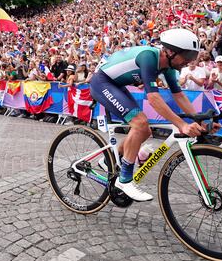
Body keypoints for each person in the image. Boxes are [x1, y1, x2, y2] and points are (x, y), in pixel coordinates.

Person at [89, 28, 210, 202]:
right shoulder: (149, 57)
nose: (189, 61)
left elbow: (179, 95)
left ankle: (107, 162)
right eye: (187, 56)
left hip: (116, 85)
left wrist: (200, 120)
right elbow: (153, 98)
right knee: (140, 123)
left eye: (192, 56)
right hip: (102, 83)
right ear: (169, 51)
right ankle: (124, 181)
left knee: (145, 131)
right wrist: (181, 125)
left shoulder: (168, 66)